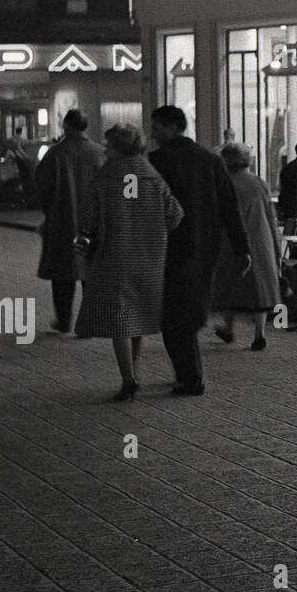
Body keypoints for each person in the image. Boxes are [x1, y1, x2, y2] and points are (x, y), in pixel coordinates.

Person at [74, 125, 183, 402]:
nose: (105, 148)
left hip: (115, 255)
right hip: (149, 257)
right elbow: (175, 214)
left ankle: (128, 378)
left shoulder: (106, 176)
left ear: (118, 147)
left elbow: (87, 217)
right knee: (135, 316)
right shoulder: (151, 176)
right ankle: (134, 372)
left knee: (119, 317)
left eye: (108, 144)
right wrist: (154, 231)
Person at [148, 105, 251, 397]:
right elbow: (230, 206)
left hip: (169, 247)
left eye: (156, 127)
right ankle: (188, 373)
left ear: (170, 127)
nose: (152, 134)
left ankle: (191, 377)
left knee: (173, 315)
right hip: (206, 247)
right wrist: (242, 248)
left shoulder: (156, 161)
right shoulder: (210, 160)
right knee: (189, 308)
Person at [33, 109, 104, 333]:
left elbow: (42, 187)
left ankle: (64, 320)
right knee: (90, 273)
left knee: (63, 275)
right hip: (93, 223)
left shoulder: (55, 154)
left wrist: (51, 211)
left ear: (66, 126)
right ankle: (91, 320)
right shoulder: (99, 153)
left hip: (63, 221)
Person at [211, 143, 283, 351]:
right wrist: (276, 245)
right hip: (261, 241)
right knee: (259, 290)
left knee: (230, 285)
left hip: (232, 242)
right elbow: (271, 216)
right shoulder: (259, 182)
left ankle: (229, 328)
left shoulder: (224, 183)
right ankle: (259, 334)